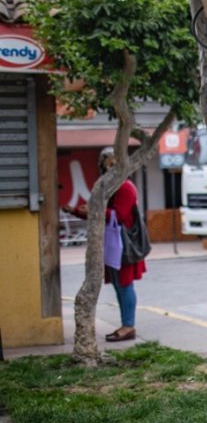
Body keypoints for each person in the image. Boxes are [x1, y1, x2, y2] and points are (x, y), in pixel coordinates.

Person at [64, 146, 146, 342]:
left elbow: (118, 216)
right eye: (107, 163)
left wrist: (92, 209)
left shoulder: (125, 187)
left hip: (123, 244)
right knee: (119, 285)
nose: (110, 167)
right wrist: (79, 211)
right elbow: (102, 214)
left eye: (114, 162)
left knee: (125, 285)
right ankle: (126, 324)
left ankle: (128, 325)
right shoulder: (109, 188)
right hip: (112, 243)